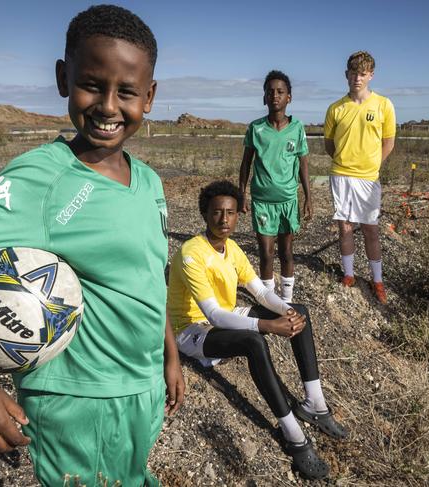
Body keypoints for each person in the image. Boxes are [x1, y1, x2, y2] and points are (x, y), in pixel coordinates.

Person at [0, 5, 184, 486]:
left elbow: (150, 276)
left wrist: (169, 355)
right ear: (64, 77)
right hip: (80, 398)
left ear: (151, 95)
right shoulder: (43, 179)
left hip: (141, 388)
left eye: (128, 92)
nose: (108, 106)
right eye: (93, 85)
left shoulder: (149, 182)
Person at [167, 180, 348, 480]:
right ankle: (293, 435)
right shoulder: (191, 253)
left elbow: (261, 293)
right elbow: (212, 313)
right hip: (192, 329)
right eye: (216, 213)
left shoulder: (232, 248)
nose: (224, 220)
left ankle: (314, 404)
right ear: (204, 214)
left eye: (231, 213)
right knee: (253, 341)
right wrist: (267, 325)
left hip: (224, 315)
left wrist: (285, 313)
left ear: (239, 215)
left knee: (299, 311)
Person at [324, 51, 396, 304]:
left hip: (368, 178)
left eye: (363, 73)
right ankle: (349, 274)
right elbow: (329, 144)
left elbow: (388, 143)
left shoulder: (383, 105)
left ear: (371, 76)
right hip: (341, 175)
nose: (357, 78)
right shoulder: (336, 108)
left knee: (370, 229)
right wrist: (344, 162)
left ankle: (377, 280)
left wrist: (372, 166)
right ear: (346, 75)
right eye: (353, 73)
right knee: (345, 227)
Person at [238, 70, 312, 302]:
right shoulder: (256, 128)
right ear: (264, 98)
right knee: (266, 254)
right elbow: (245, 164)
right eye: (270, 92)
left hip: (288, 201)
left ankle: (287, 301)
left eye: (280, 92)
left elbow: (303, 165)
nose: (275, 96)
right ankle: (270, 302)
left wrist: (308, 197)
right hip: (262, 202)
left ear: (289, 97)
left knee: (287, 253)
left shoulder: (297, 128)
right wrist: (242, 194)